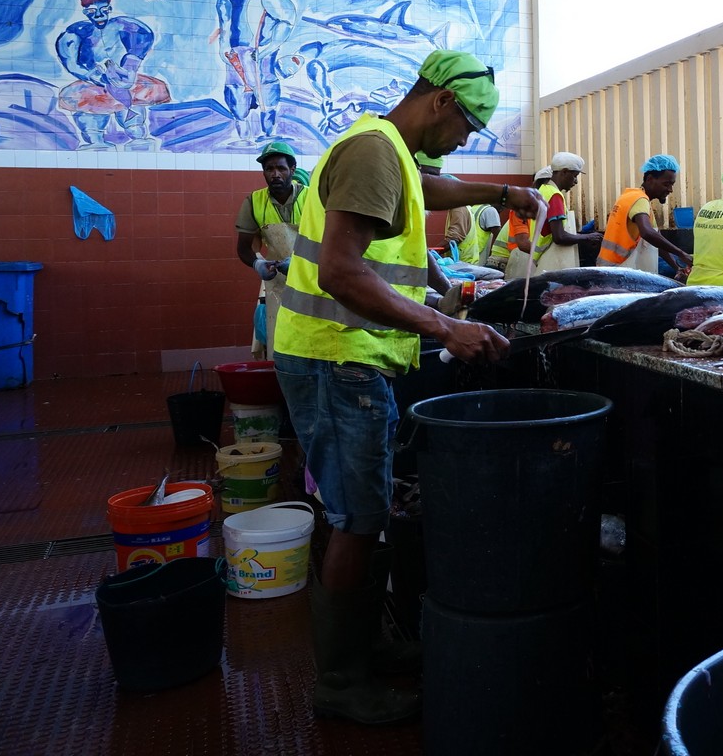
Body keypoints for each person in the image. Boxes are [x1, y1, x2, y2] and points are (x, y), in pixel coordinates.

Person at [273, 49, 542, 725]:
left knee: (364, 511)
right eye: (468, 129)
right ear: (443, 102)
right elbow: (340, 270)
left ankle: (366, 643)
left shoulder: (387, 148)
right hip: (339, 359)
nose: (463, 142)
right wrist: (445, 329)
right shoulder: (374, 151)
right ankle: (339, 679)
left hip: (348, 358)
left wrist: (501, 194)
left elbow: (428, 190)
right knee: (357, 520)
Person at [56, 0, 170, 151]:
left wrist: (130, 68)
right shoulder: (75, 33)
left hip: (125, 80)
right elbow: (71, 62)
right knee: (91, 122)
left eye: (104, 10)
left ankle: (140, 147)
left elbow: (142, 39)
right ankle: (96, 145)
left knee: (134, 122)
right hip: (92, 83)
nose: (100, 15)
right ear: (86, 12)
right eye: (93, 12)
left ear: (109, 8)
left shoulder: (124, 25)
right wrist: (96, 77)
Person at [216, 0, 298, 143]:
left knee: (267, 91)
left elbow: (287, 20)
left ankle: (268, 134)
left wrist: (268, 47)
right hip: (236, 55)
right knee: (236, 93)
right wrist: (223, 48)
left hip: (261, 54)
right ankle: (244, 137)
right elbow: (225, 27)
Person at [236, 141, 305, 359]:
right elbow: (243, 248)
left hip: (313, 278)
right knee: (280, 343)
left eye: (281, 168)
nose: (275, 174)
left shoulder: (312, 198)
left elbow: (330, 241)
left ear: (292, 170)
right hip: (277, 282)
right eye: (269, 169)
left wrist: (302, 264)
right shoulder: (254, 202)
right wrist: (258, 263)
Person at [598, 154, 692, 276]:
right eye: (666, 184)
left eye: (672, 185)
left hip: (611, 269)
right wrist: (681, 253)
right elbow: (647, 232)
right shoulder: (640, 200)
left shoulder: (631, 196)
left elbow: (656, 241)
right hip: (619, 271)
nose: (670, 190)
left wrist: (676, 267)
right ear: (650, 179)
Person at [531, 151, 601, 270]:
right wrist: (588, 237)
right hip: (551, 258)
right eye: (575, 176)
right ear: (564, 172)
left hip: (539, 258)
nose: (576, 181)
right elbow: (559, 237)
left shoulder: (543, 190)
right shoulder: (555, 196)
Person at [485, 166, 551, 272]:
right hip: (502, 262)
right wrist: (549, 256)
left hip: (513, 259)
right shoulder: (524, 208)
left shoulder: (541, 210)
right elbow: (523, 244)